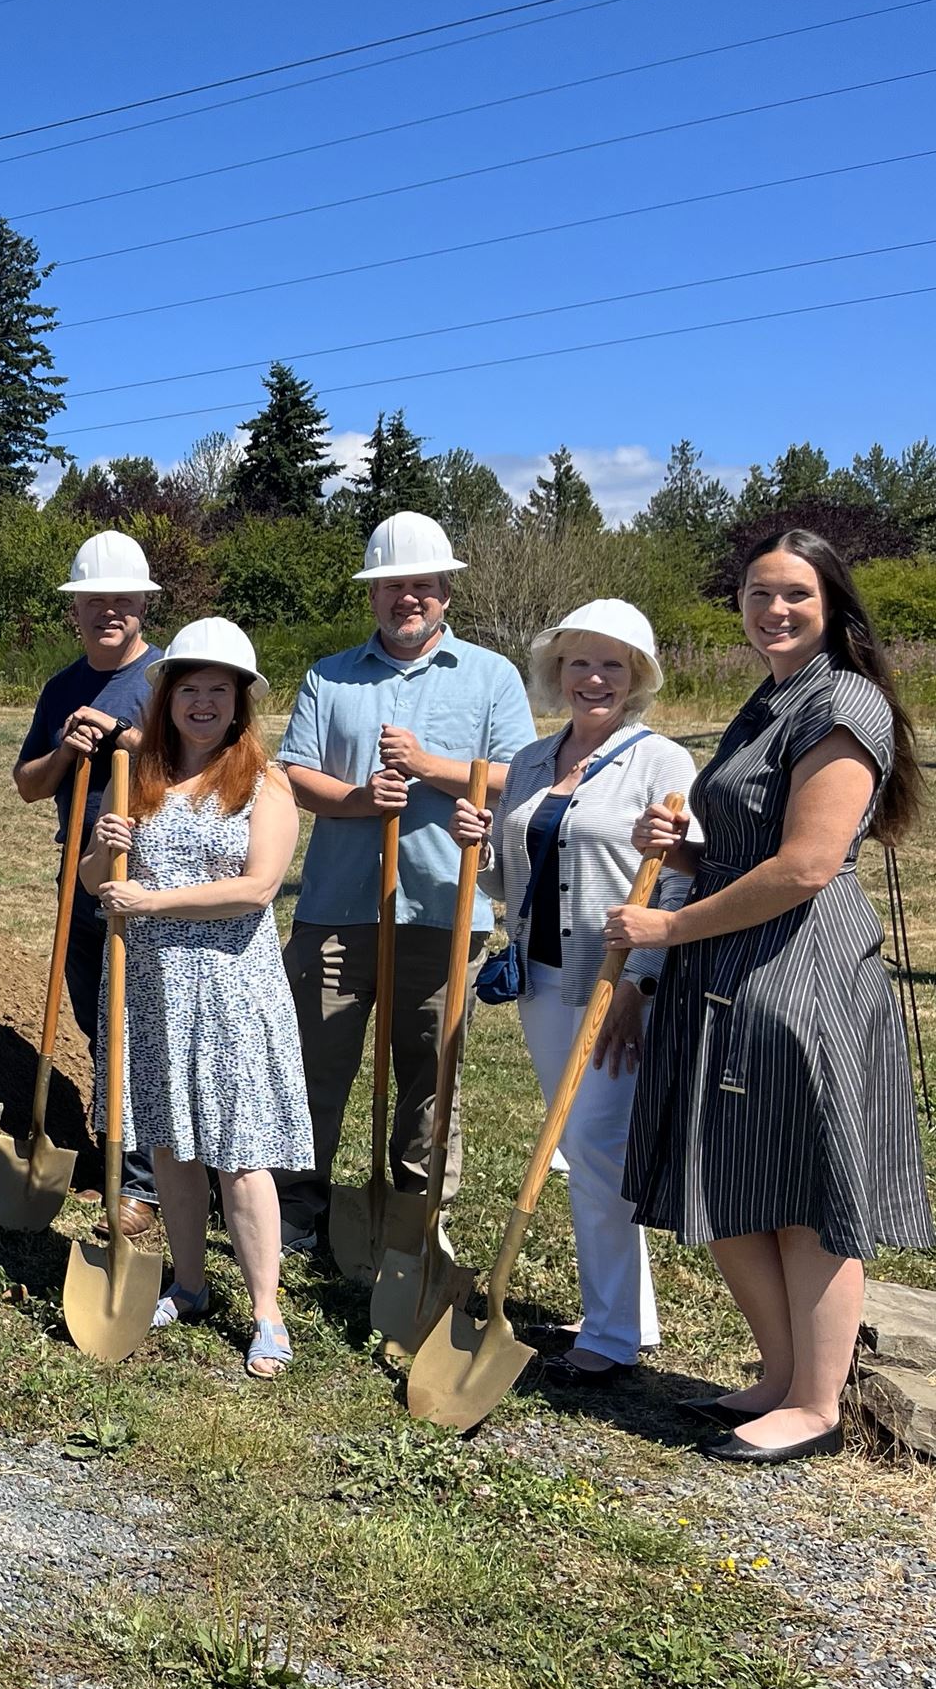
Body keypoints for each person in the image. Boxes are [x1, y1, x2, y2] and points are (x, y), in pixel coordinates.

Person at [609, 530, 932, 1463]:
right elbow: (753, 851)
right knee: (733, 1176)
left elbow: (807, 865)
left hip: (800, 978)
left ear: (832, 604)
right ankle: (783, 1375)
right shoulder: (772, 698)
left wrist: (669, 928)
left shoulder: (844, 703)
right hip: (733, 971)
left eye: (794, 594)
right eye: (757, 593)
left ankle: (818, 1405)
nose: (773, 610)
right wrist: (686, 855)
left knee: (804, 1192)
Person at [272, 512, 537, 1257]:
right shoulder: (330, 675)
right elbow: (295, 773)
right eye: (392, 586)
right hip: (337, 909)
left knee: (431, 1071)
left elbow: (522, 776)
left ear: (447, 591)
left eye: (421, 585)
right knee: (315, 1063)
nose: (407, 599)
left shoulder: (490, 677)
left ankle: (420, 1218)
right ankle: (297, 1208)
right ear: (372, 596)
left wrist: (432, 769)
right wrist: (360, 800)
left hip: (447, 907)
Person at [451, 600, 697, 1384]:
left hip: (616, 982)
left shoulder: (659, 762)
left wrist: (640, 984)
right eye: (580, 663)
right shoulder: (529, 760)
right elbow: (511, 878)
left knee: (592, 1144)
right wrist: (479, 846)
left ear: (637, 678)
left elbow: (680, 885)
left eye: (613, 666)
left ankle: (612, 1335)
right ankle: (632, 1315)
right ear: (557, 673)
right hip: (543, 980)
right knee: (589, 1146)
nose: (594, 679)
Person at [84, 619, 310, 1378]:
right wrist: (101, 848)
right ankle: (187, 1282)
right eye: (191, 690)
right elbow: (97, 884)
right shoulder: (138, 781)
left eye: (220, 690)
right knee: (169, 1143)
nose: (204, 703)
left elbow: (258, 889)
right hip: (150, 987)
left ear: (241, 704)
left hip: (229, 989)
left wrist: (152, 902)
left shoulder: (264, 781)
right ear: (169, 699)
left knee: (241, 1154)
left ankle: (266, 1313)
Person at [13, 529, 161, 1237]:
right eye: (94, 600)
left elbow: (203, 764)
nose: (109, 610)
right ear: (75, 610)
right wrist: (65, 751)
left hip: (154, 884)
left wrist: (127, 740)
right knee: (97, 1026)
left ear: (143, 605)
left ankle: (142, 1185)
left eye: (122, 599)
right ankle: (128, 1158)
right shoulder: (60, 688)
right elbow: (25, 785)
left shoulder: (166, 680)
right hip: (81, 882)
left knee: (139, 1030)